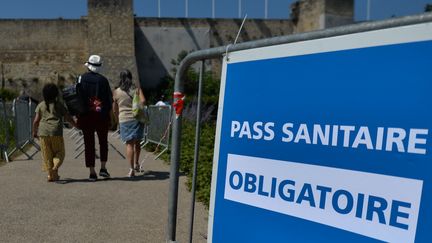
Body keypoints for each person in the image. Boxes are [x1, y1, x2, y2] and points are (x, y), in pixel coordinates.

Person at [76, 55, 113, 181]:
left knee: (89, 144)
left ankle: (92, 172)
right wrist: (109, 115)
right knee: (103, 142)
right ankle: (103, 167)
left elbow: (77, 97)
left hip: (86, 115)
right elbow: (109, 100)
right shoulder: (103, 80)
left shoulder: (81, 78)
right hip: (101, 115)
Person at [32, 83, 77, 182]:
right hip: (56, 132)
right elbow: (68, 117)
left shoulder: (40, 105)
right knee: (59, 153)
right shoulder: (59, 105)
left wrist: (34, 132)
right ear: (56, 94)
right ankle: (55, 168)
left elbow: (36, 121)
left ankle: (50, 176)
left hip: (43, 133)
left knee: (47, 155)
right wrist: (76, 125)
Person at [113, 69, 146, 177]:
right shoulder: (136, 89)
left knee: (129, 144)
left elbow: (115, 109)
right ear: (130, 77)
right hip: (137, 118)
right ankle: (136, 163)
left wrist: (117, 121)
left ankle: (131, 169)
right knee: (137, 142)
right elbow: (143, 101)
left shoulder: (116, 92)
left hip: (124, 119)